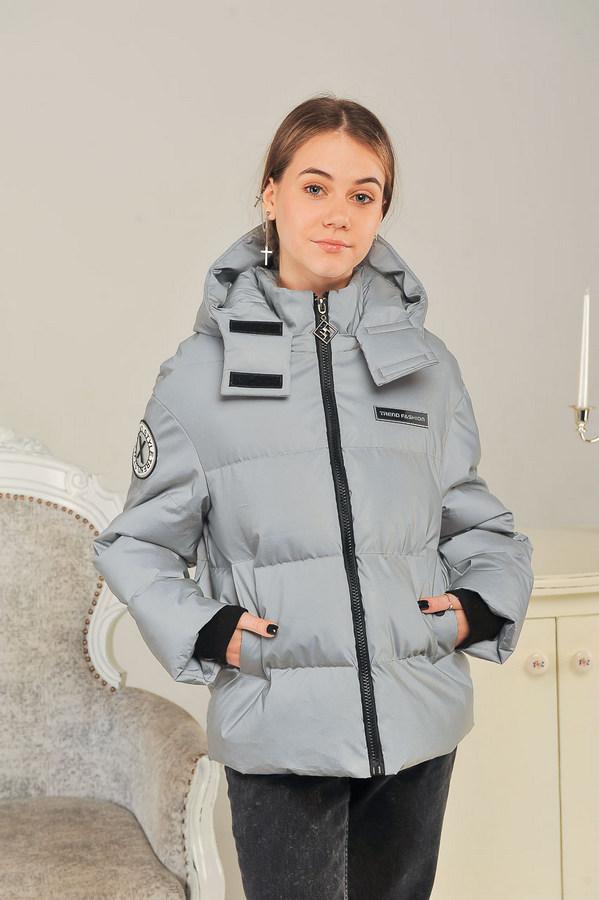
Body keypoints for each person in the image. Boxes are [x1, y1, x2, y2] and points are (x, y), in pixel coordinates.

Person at [93, 94, 534, 899]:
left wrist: (476, 608)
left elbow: (478, 522)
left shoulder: (425, 366)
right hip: (280, 730)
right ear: (271, 195)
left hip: (416, 727)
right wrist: (212, 631)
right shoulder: (198, 375)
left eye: (363, 194)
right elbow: (136, 542)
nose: (338, 214)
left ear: (381, 212)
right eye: (314, 187)